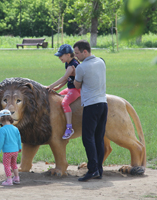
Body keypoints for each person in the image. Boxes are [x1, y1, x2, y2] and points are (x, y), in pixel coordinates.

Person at [73, 40, 108, 182]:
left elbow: (77, 84)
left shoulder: (81, 67)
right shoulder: (101, 61)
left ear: (85, 52)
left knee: (87, 138)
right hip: (103, 104)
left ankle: (92, 169)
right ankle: (99, 169)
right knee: (99, 138)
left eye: (77, 53)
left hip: (91, 105)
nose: (76, 56)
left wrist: (74, 75)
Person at [46, 44, 80, 139]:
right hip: (70, 88)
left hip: (76, 89)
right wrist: (58, 87)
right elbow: (67, 79)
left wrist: (51, 86)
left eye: (61, 55)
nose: (59, 57)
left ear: (68, 55)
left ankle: (69, 128)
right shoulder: (67, 63)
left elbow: (64, 77)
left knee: (65, 103)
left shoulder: (73, 64)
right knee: (57, 98)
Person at [0, 109, 22, 186]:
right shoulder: (15, 128)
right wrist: (19, 147)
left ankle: (9, 180)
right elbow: (19, 139)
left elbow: (0, 142)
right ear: (10, 118)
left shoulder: (2, 129)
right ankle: (16, 178)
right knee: (14, 164)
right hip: (15, 151)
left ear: (0, 120)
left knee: (7, 165)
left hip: (7, 152)